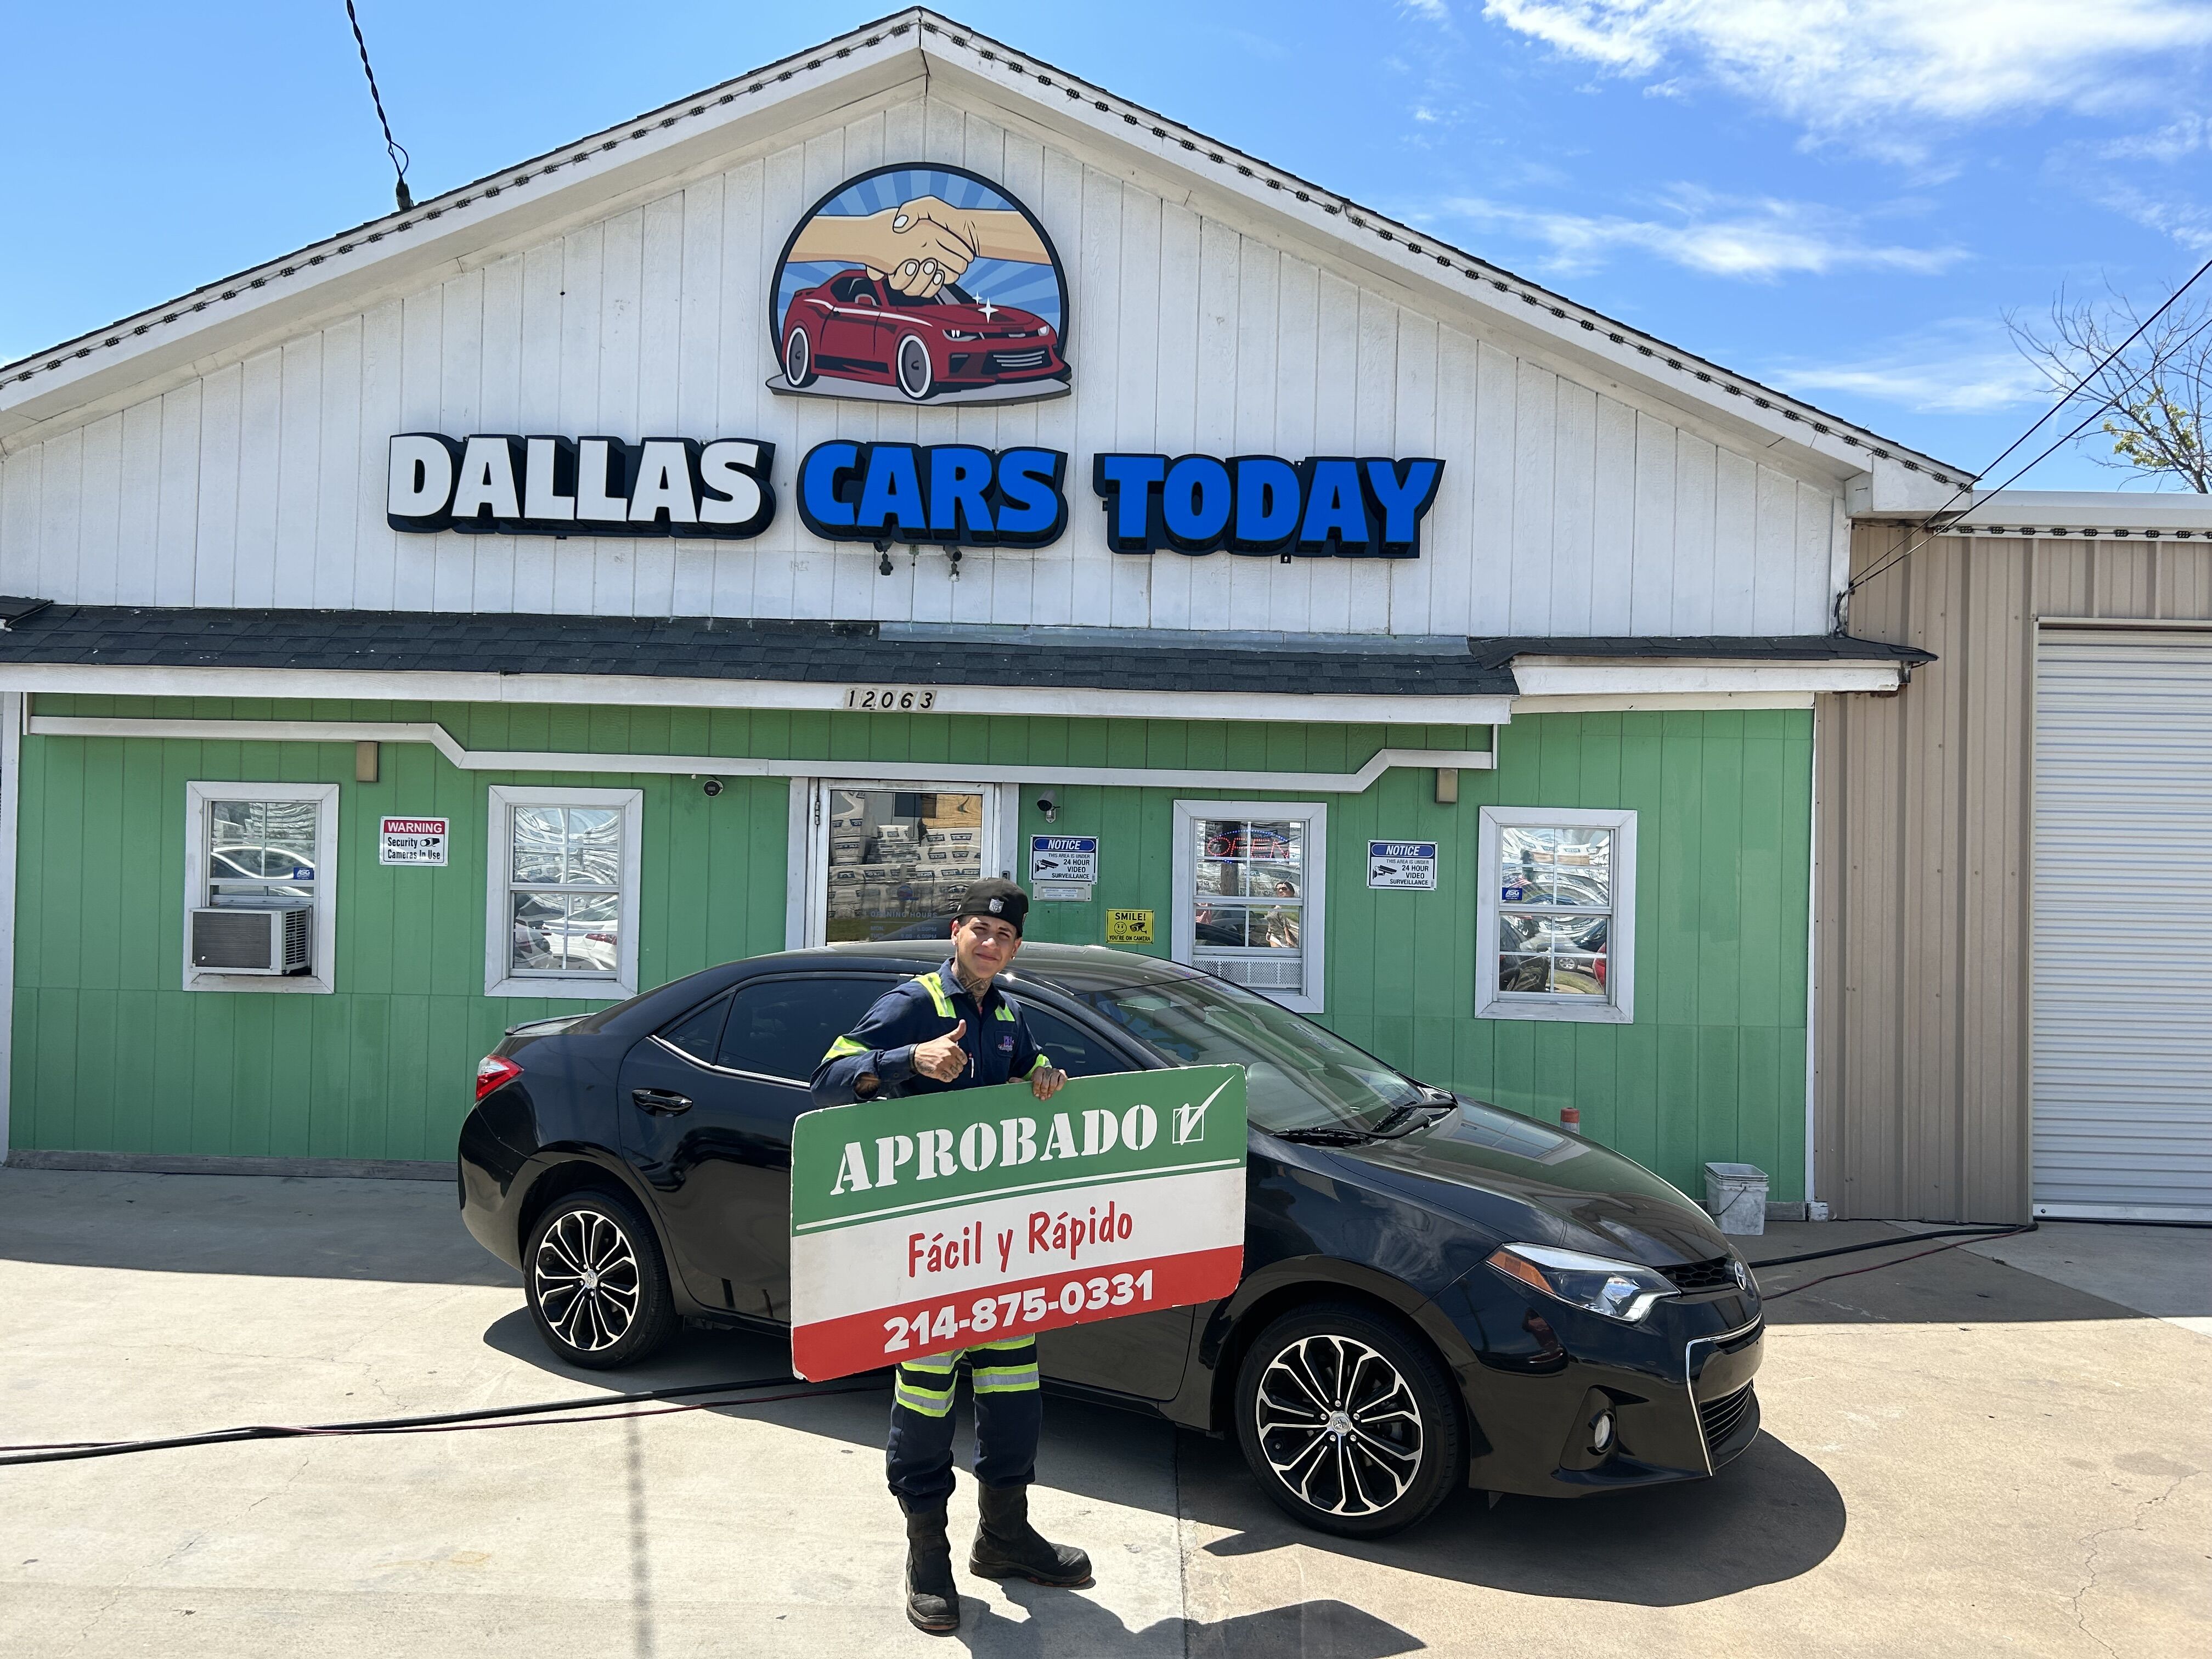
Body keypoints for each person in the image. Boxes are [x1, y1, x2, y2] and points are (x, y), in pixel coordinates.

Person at [809, 877, 1088, 1635]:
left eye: (1004, 938)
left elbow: (1032, 1068)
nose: (990, 946)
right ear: (957, 931)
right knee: (928, 1396)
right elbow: (829, 1076)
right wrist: (907, 1060)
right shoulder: (913, 1004)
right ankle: (926, 1552)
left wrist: (1045, 1075)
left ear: (1015, 948)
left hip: (996, 1245)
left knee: (1013, 1391)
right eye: (979, 932)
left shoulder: (1008, 1012)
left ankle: (1004, 1535)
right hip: (926, 1245)